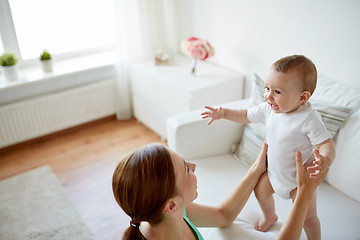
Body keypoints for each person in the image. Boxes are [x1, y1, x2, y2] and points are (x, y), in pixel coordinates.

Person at [201, 55, 336, 240]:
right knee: (260, 191)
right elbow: (245, 115)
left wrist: (325, 160)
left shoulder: (308, 118)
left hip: (299, 182)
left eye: (277, 92)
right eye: (267, 88)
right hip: (274, 175)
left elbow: (326, 144)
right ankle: (270, 216)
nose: (268, 96)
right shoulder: (268, 109)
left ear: (302, 97)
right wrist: (224, 113)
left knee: (308, 218)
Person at [112, 143, 328, 240]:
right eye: (186, 169)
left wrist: (257, 168)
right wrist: (304, 193)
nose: (194, 166)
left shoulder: (172, 213)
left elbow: (223, 216)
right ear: (170, 205)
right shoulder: (170, 213)